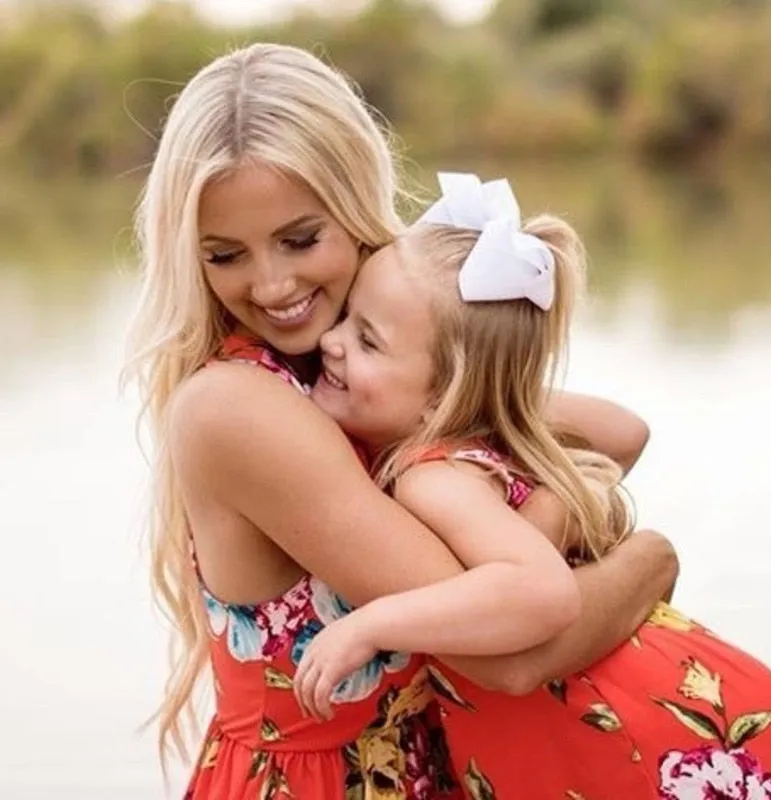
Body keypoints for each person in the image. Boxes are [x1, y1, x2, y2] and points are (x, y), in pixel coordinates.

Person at [124, 44, 678, 800]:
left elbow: (606, 433)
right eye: (225, 255)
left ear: (355, 210)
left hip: (425, 767)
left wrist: (543, 491)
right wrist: (649, 557)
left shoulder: (356, 372)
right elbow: (510, 655)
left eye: (300, 238)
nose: (273, 284)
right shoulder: (238, 407)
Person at [294, 173, 771, 799]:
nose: (329, 342)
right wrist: (485, 399)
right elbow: (623, 431)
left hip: (645, 741)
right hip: (694, 703)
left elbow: (541, 591)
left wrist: (370, 625)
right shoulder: (472, 447)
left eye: (367, 339)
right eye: (347, 319)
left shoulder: (430, 477)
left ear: (440, 396)